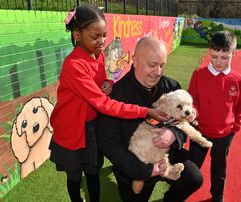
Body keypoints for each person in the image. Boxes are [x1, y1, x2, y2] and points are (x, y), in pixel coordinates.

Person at [49, 5, 167, 202]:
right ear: (77, 35)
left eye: (104, 35)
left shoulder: (99, 54)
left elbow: (102, 78)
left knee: (93, 170)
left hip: (92, 125)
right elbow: (104, 104)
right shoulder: (73, 65)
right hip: (72, 129)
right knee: (75, 175)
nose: (102, 41)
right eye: (95, 37)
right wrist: (145, 111)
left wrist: (108, 82)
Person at [97, 36, 203, 202]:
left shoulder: (172, 87)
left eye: (162, 65)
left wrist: (174, 134)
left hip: (168, 155)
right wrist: (145, 170)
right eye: (152, 65)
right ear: (136, 60)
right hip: (134, 165)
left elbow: (183, 121)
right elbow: (108, 143)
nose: (158, 72)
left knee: (193, 179)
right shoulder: (115, 95)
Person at [188, 30, 241, 202]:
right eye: (214, 56)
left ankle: (217, 196)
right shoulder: (198, 74)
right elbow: (193, 100)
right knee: (192, 167)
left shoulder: (238, 80)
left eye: (224, 57)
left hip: (224, 134)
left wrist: (235, 127)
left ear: (234, 53)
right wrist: (194, 112)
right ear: (209, 51)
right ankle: (179, 192)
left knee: (219, 168)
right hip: (200, 132)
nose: (218, 62)